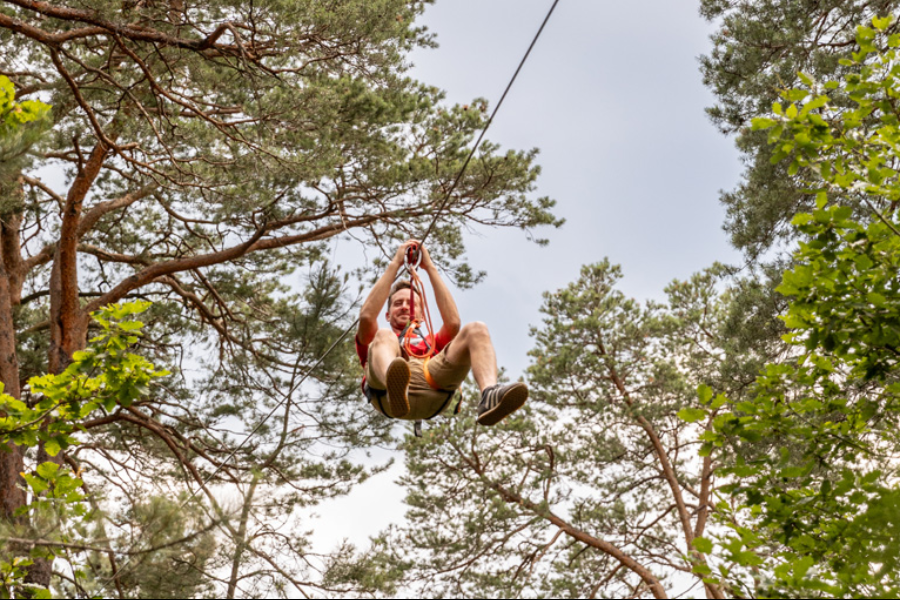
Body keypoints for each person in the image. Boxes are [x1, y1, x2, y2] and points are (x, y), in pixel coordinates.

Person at [355, 239, 527, 425]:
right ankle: (393, 383)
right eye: (398, 303)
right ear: (387, 315)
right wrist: (395, 264)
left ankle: (489, 395)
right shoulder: (381, 343)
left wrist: (429, 267)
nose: (405, 307)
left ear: (421, 314)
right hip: (386, 396)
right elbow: (366, 319)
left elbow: (453, 324)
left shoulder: (432, 343)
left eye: (411, 303)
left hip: (432, 386)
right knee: (383, 335)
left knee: (476, 329)